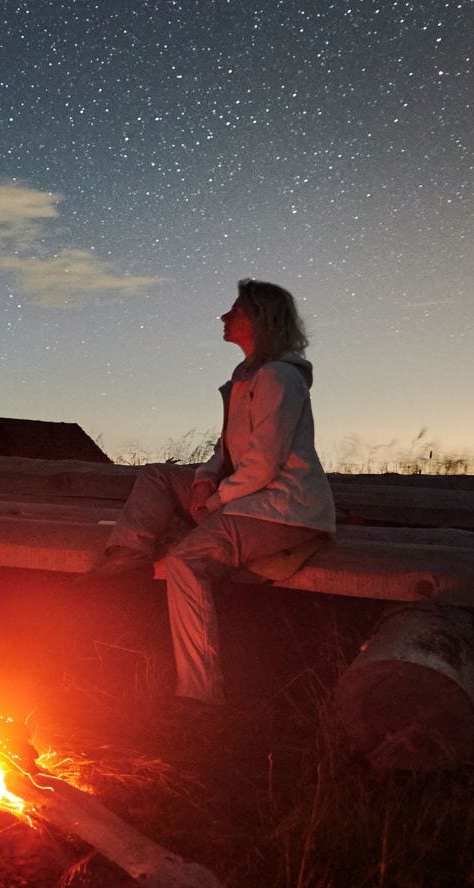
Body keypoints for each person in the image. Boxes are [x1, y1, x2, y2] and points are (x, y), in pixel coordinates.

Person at [92, 279, 336, 708]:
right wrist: (206, 477)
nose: (225, 317)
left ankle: (199, 695)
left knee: (186, 564)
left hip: (282, 508)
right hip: (248, 494)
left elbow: (264, 463)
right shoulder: (246, 377)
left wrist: (216, 502)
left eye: (235, 311)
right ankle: (127, 558)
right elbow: (226, 449)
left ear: (260, 319)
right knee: (157, 476)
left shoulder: (279, 378)